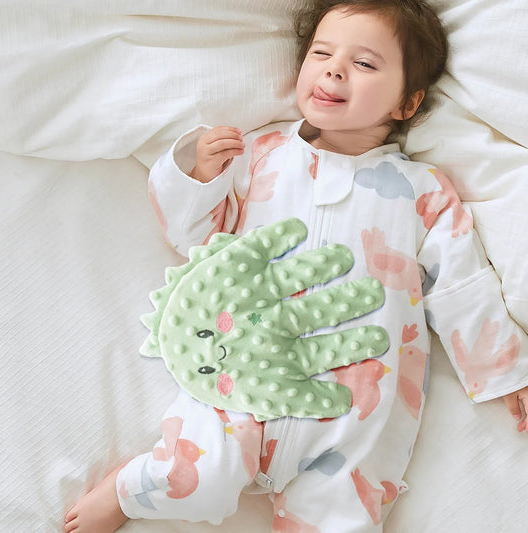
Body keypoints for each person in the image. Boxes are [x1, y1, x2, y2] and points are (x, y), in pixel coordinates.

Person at [64, 1, 528, 532]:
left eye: (364, 63)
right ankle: (130, 492)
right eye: (321, 54)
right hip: (239, 378)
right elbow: (198, 243)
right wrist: (198, 178)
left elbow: (461, 285)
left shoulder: (422, 193)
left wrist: (503, 369)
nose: (335, 70)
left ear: (407, 102)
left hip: (350, 416)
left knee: (343, 520)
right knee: (195, 477)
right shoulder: (261, 154)